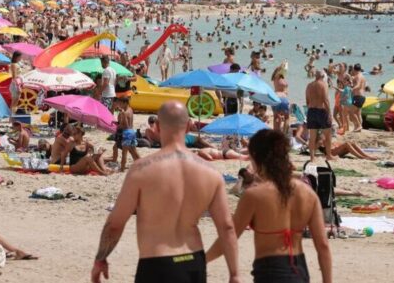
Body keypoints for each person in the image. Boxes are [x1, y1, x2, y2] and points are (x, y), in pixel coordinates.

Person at [91, 101, 240, 283]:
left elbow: (115, 224)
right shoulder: (211, 173)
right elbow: (226, 227)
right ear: (188, 127)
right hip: (193, 261)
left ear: (157, 127)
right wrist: (234, 274)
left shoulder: (142, 170)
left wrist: (100, 259)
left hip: (157, 263)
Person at [205, 129, 332, 283]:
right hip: (299, 271)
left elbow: (230, 235)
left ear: (256, 158)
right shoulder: (308, 194)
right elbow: (323, 246)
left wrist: (203, 260)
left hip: (270, 271)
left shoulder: (254, 195)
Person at [305, 70, 335, 162]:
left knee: (312, 136)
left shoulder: (309, 85)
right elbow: (325, 99)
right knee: (328, 134)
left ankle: (312, 157)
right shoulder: (323, 84)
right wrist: (329, 113)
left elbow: (307, 101)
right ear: (323, 76)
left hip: (311, 111)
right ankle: (329, 155)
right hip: (321, 111)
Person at [115, 97, 140, 172]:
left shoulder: (125, 113)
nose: (119, 105)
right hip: (132, 131)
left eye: (120, 103)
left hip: (127, 133)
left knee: (124, 153)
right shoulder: (130, 110)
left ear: (125, 103)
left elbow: (125, 126)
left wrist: (117, 126)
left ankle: (122, 169)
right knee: (134, 151)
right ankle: (142, 165)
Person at [349, 64, 366, 132]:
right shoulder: (362, 76)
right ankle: (358, 128)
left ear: (354, 69)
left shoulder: (358, 76)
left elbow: (358, 85)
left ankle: (358, 126)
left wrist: (352, 89)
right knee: (358, 113)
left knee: (351, 112)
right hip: (362, 96)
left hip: (358, 97)